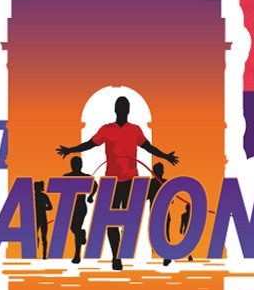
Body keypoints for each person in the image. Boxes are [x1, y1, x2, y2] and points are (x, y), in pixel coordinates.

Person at [57, 95, 176, 270]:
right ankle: (116, 257)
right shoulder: (106, 129)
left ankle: (163, 250)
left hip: (132, 182)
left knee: (133, 220)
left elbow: (148, 147)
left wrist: (165, 156)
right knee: (110, 222)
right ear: (116, 110)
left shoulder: (135, 130)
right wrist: (71, 150)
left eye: (124, 107)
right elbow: (90, 144)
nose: (122, 110)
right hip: (112, 183)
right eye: (120, 107)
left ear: (127, 110)